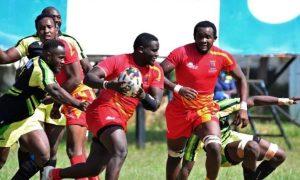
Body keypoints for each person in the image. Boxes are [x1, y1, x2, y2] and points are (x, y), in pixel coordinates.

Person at [42, 32, 164, 180]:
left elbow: (155, 105)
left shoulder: (156, 70)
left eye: (157, 50)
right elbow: (89, 78)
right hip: (102, 110)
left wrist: (142, 95)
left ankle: (52, 174)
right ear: (140, 49)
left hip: (121, 119)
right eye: (153, 50)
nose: (157, 54)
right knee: (120, 151)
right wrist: (110, 84)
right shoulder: (119, 60)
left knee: (93, 169)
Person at [0, 13, 96, 179]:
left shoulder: (63, 47)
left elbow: (75, 76)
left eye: (50, 26)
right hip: (9, 117)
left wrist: (59, 105)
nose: (63, 62)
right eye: (60, 59)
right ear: (49, 55)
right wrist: (77, 103)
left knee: (44, 155)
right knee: (1, 161)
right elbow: (55, 90)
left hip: (26, 116)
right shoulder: (41, 67)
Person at [160, 20, 249, 180]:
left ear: (215, 37)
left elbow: (241, 79)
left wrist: (243, 107)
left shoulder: (222, 56)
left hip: (205, 110)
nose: (203, 40)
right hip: (179, 112)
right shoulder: (181, 52)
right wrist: (178, 88)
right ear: (194, 37)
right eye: (199, 37)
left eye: (208, 37)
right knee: (175, 156)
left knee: (214, 146)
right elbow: (157, 73)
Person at [181, 96, 296, 180]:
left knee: (279, 156)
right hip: (221, 153)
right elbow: (186, 165)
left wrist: (285, 100)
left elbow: (253, 100)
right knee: (252, 147)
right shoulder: (197, 128)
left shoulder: (220, 106)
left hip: (232, 136)